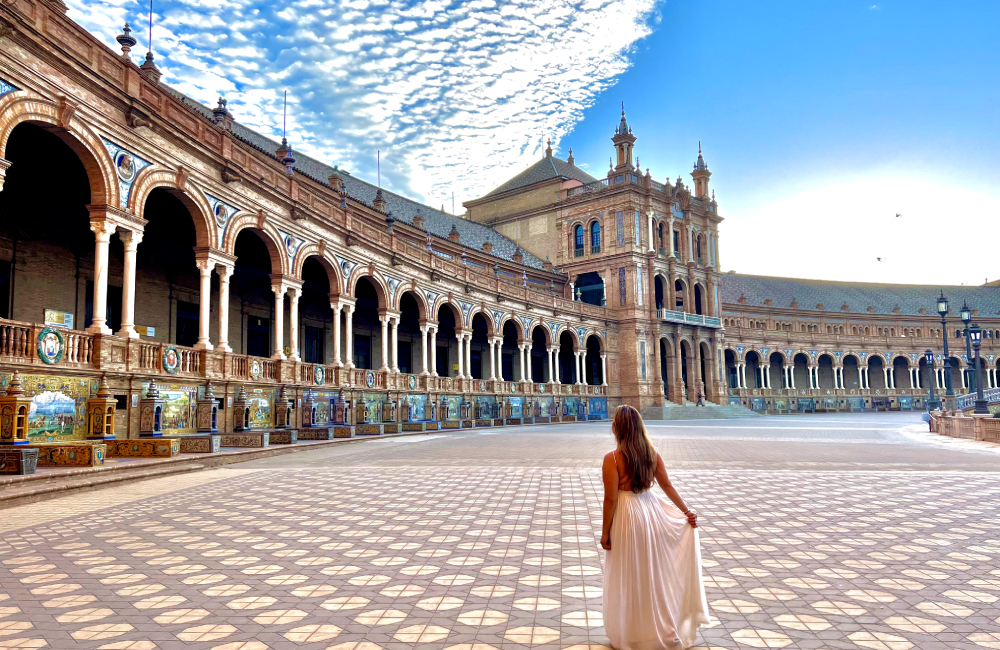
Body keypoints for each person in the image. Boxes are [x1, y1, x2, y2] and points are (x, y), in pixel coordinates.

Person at [601, 405, 710, 649]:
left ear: (617, 427)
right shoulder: (652, 454)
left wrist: (605, 532)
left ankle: (630, 629)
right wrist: (686, 511)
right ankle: (655, 626)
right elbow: (667, 486)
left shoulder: (613, 458)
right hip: (651, 511)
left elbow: (611, 499)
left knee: (628, 572)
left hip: (627, 515)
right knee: (650, 571)